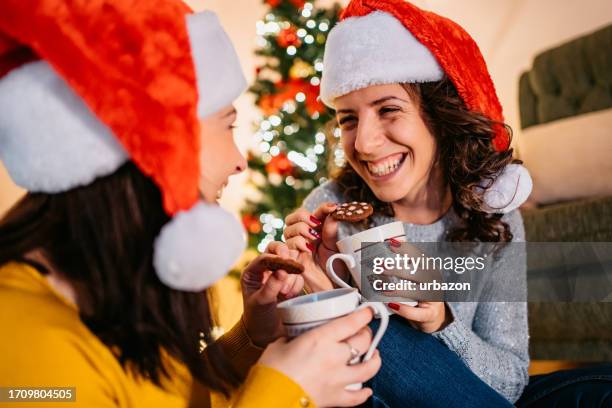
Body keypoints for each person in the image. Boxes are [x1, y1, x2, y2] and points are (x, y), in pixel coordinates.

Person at [0, 1, 380, 407]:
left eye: (388, 110)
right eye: (226, 124)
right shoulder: (25, 342)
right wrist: (285, 394)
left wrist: (251, 336)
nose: (238, 160)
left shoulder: (114, 280)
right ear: (158, 141)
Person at [283, 0, 533, 406]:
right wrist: (322, 292)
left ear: (439, 116)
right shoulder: (326, 213)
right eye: (348, 118)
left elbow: (511, 382)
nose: (363, 143)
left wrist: (442, 322)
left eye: (388, 110)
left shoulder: (495, 214)